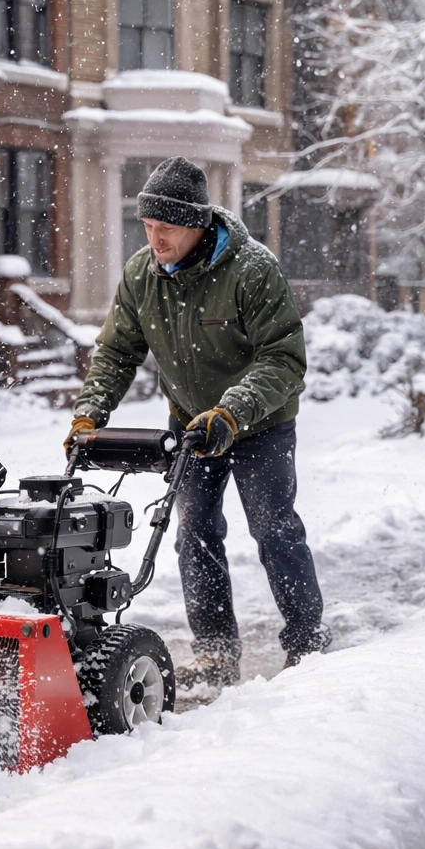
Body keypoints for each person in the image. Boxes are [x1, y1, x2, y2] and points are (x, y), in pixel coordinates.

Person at [67, 156, 329, 690]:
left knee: (274, 529)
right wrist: (90, 410)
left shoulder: (252, 269)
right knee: (194, 534)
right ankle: (214, 650)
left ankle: (307, 643)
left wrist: (232, 410)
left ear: (196, 225)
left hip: (260, 424)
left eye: (165, 228)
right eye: (147, 225)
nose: (154, 238)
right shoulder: (143, 273)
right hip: (192, 425)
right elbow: (118, 351)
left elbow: (283, 358)